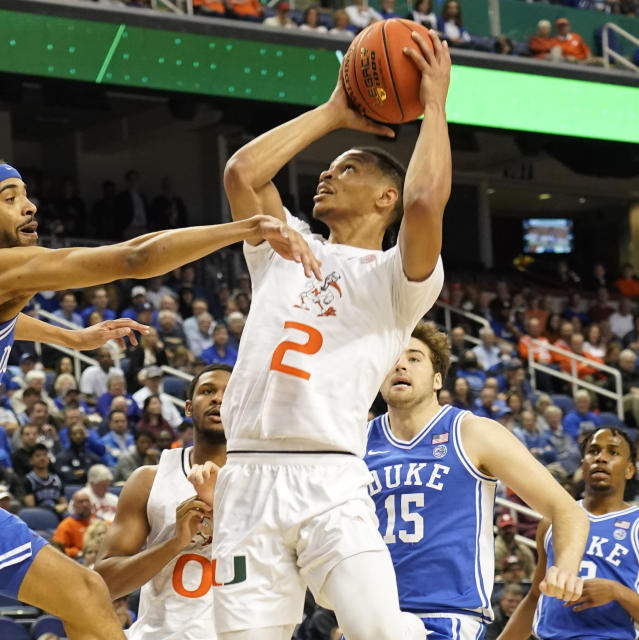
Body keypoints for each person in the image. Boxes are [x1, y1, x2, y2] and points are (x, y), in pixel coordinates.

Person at [0, 156, 316, 640]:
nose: (30, 206)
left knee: (87, 594)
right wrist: (245, 229)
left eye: (26, 195)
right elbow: (135, 258)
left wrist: (69, 337)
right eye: (9, 197)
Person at [198, 30, 451, 640]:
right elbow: (242, 171)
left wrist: (435, 104)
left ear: (383, 196)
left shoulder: (398, 281)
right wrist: (336, 112)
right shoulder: (285, 247)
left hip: (330, 479)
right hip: (247, 478)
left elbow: (422, 202)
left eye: (349, 167)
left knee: (382, 632)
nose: (326, 176)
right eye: (331, 167)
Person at [364, 325, 584, 639]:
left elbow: (567, 511)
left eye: (414, 359)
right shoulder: (357, 440)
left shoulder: (472, 432)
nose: (400, 365)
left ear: (437, 379)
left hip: (445, 618)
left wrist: (566, 566)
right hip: (370, 616)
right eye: (392, 359)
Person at [95, 364, 231, 639]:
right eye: (208, 391)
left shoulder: (266, 480)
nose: (218, 398)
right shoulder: (148, 480)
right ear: (189, 408)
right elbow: (105, 584)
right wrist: (175, 542)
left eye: (230, 394)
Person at [499, 428, 639, 639]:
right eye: (593, 451)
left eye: (613, 452)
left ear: (629, 470)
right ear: (583, 464)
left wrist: (617, 592)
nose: (601, 458)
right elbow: (536, 596)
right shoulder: (553, 521)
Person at [53, 489, 96, 558]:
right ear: (73, 505)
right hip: (78, 560)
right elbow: (57, 550)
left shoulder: (99, 521)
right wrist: (77, 553)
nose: (85, 504)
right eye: (80, 502)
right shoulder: (66, 525)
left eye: (87, 501)